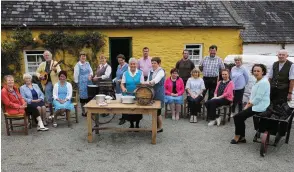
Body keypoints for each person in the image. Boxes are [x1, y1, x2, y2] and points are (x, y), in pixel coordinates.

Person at [231, 64, 270, 144]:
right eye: (254, 71)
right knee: (239, 117)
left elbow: (258, 98)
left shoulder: (264, 82)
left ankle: (238, 136)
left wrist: (248, 105)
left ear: (263, 72)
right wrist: (248, 104)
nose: (256, 72)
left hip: (260, 106)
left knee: (237, 117)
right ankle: (242, 137)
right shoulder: (258, 80)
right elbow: (253, 96)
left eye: (258, 71)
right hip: (255, 104)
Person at [36, 50, 61, 116]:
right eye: (45, 55)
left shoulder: (55, 63)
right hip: (47, 82)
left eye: (48, 55)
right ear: (44, 57)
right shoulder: (42, 64)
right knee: (48, 98)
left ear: (51, 55)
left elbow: (59, 71)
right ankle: (51, 112)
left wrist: (55, 70)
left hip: (55, 82)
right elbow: (37, 72)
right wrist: (40, 76)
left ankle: (59, 110)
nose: (47, 56)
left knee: (56, 97)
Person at [121, 58, 144, 128]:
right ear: (129, 65)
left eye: (134, 64)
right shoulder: (125, 73)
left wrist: (137, 89)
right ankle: (131, 124)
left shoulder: (140, 73)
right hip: (128, 95)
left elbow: (142, 84)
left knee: (137, 110)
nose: (133, 65)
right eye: (131, 64)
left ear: (136, 65)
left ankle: (137, 124)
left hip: (138, 95)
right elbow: (122, 83)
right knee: (130, 110)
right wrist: (123, 88)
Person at [146, 57, 165, 132]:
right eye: (152, 63)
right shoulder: (150, 71)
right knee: (154, 111)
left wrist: (150, 82)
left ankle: (160, 127)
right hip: (152, 93)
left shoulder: (161, 71)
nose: (153, 64)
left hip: (159, 93)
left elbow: (157, 79)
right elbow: (148, 80)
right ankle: (155, 127)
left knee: (158, 112)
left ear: (159, 64)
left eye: (155, 63)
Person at [74, 51, 93, 117]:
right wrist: (77, 83)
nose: (83, 57)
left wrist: (91, 75)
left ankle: (89, 111)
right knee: (83, 98)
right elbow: (76, 75)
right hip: (82, 83)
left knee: (89, 97)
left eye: (84, 56)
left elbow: (91, 71)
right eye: (82, 56)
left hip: (89, 82)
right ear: (79, 57)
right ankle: (83, 112)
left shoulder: (88, 63)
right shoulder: (77, 65)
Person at [113, 54, 129, 125]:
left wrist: (121, 80)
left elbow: (128, 76)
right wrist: (114, 80)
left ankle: (124, 118)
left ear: (124, 60)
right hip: (118, 86)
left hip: (124, 86)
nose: (120, 62)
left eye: (121, 60)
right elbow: (117, 76)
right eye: (118, 61)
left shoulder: (127, 66)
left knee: (124, 101)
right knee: (120, 100)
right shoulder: (118, 66)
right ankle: (124, 116)